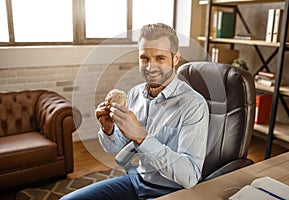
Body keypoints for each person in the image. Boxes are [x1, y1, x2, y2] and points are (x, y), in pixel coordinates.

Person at [61, 23, 209, 200]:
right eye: (144, 58)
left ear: (175, 59)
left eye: (160, 58)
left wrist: (141, 137)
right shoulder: (135, 93)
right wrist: (108, 129)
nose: (150, 66)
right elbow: (113, 147)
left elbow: (190, 177)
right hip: (137, 180)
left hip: (172, 191)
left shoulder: (194, 104)